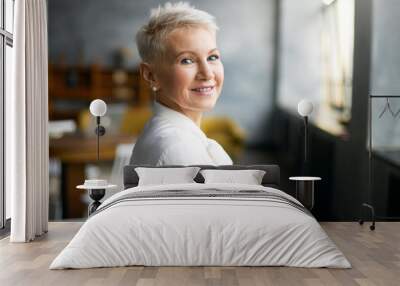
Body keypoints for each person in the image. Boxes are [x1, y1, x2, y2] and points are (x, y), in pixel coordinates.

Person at [130, 2, 233, 166]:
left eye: (212, 57)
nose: (207, 74)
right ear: (150, 75)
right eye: (187, 60)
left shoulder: (168, 134)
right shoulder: (179, 148)